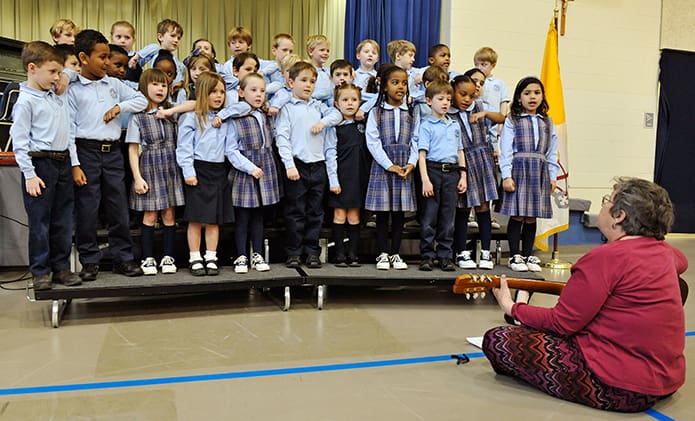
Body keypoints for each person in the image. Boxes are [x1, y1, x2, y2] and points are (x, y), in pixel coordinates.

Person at [484, 177, 687, 412]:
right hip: (667, 380)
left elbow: (562, 323)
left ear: (619, 215)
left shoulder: (604, 259)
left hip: (619, 387)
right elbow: (680, 264)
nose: (602, 207)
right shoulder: (665, 253)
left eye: (606, 201)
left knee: (497, 340)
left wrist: (511, 307)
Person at [68, 29, 147, 281]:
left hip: (113, 152)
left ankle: (122, 257)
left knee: (118, 208)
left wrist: (119, 107)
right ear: (83, 57)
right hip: (85, 152)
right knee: (87, 209)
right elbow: (68, 130)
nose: (106, 63)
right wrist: (75, 164)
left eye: (107, 57)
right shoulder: (72, 89)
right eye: (101, 57)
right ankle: (89, 260)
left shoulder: (113, 84)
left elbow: (142, 101)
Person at [10, 41, 82, 290]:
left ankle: (61, 268)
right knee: (41, 221)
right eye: (52, 72)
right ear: (32, 68)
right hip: (39, 165)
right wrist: (29, 175)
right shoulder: (25, 101)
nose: (57, 77)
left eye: (59, 72)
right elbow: (19, 143)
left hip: (62, 162)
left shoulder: (57, 95)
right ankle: (41, 271)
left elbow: (68, 132)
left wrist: (74, 163)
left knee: (63, 220)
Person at [127, 69, 185, 275]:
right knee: (150, 214)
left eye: (164, 85)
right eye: (155, 84)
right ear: (144, 87)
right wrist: (137, 177)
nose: (160, 89)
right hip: (149, 166)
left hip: (171, 165)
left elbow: (195, 105)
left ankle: (168, 256)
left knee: (169, 214)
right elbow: (133, 149)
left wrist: (169, 111)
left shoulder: (171, 113)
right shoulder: (138, 117)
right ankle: (148, 257)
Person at [275, 61, 332, 269]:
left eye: (312, 82)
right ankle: (294, 252)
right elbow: (282, 138)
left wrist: (324, 122)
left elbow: (337, 115)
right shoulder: (287, 109)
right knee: (295, 212)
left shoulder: (319, 106)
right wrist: (289, 165)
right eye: (304, 80)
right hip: (297, 166)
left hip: (318, 165)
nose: (308, 85)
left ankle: (312, 252)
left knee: (316, 213)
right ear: (291, 82)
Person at [499, 77, 559, 274]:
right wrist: (506, 175)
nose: (532, 97)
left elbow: (551, 152)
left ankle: (527, 254)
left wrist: (552, 176)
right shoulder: (512, 120)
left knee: (532, 215)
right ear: (518, 98)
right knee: (518, 213)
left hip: (539, 170)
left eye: (536, 93)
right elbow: (506, 149)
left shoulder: (548, 122)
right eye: (527, 93)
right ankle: (515, 255)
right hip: (519, 168)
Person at [176, 72, 234, 276]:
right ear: (202, 93)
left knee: (213, 219)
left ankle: (211, 256)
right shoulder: (191, 118)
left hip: (218, 171)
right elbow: (184, 148)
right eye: (213, 92)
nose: (219, 96)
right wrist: (188, 172)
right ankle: (194, 257)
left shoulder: (226, 120)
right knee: (196, 218)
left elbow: (231, 150)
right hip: (198, 170)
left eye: (222, 92)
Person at [365, 64, 419, 270]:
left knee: (399, 214)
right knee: (382, 213)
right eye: (395, 82)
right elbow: (373, 142)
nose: (401, 87)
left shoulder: (412, 112)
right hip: (383, 166)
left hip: (405, 165)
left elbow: (416, 139)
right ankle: (382, 253)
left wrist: (411, 164)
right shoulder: (376, 112)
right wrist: (389, 165)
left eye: (404, 83)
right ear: (385, 86)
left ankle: (396, 253)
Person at [225, 73, 279, 274]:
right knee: (242, 217)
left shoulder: (265, 115)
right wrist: (250, 168)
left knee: (258, 217)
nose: (259, 95)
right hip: (245, 171)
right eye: (253, 90)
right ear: (241, 92)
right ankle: (241, 256)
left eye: (262, 91)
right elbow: (231, 150)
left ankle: (257, 254)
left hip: (265, 167)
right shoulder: (236, 119)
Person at [449, 75, 505, 269]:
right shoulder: (448, 113)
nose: (467, 100)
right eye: (462, 95)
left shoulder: (480, 106)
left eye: (471, 96)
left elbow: (502, 118)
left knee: (483, 207)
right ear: (453, 92)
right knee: (463, 207)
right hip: (464, 161)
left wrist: (485, 114)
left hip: (483, 159)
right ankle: (462, 253)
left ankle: (485, 253)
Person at [417, 79, 465, 271]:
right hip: (433, 171)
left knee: (448, 218)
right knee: (429, 217)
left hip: (451, 173)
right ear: (429, 101)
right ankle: (427, 255)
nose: (445, 102)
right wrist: (425, 180)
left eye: (448, 99)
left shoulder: (454, 125)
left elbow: (460, 151)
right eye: (440, 99)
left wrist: (463, 175)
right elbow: (422, 154)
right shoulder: (426, 125)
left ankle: (445, 255)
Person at [324, 84, 367, 267]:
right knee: (340, 215)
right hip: (341, 176)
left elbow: (376, 99)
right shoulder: (335, 127)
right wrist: (333, 180)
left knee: (354, 216)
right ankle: (339, 254)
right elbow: (330, 154)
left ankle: (353, 254)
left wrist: (363, 108)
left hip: (358, 176)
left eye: (354, 100)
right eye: (345, 100)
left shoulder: (363, 123)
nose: (350, 104)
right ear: (336, 103)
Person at [474, 47, 510, 155]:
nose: (479, 67)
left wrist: (501, 122)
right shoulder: (475, 81)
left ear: (493, 65)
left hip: (494, 119)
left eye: (484, 64)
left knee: (493, 140)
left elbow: (503, 103)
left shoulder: (499, 83)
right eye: (477, 64)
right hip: (479, 117)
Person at [128, 19, 185, 86]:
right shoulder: (155, 49)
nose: (176, 40)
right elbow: (140, 59)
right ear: (160, 37)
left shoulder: (176, 60)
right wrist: (136, 57)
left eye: (179, 38)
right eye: (172, 36)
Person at [110, 21, 141, 85]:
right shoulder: (106, 54)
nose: (122, 41)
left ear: (134, 40)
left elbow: (155, 47)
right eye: (118, 37)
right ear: (111, 37)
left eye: (127, 37)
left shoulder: (136, 57)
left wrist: (137, 56)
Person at [306, 34, 332, 106]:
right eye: (322, 50)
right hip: (312, 104)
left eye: (327, 51)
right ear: (311, 52)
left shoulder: (329, 71)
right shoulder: (305, 71)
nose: (326, 53)